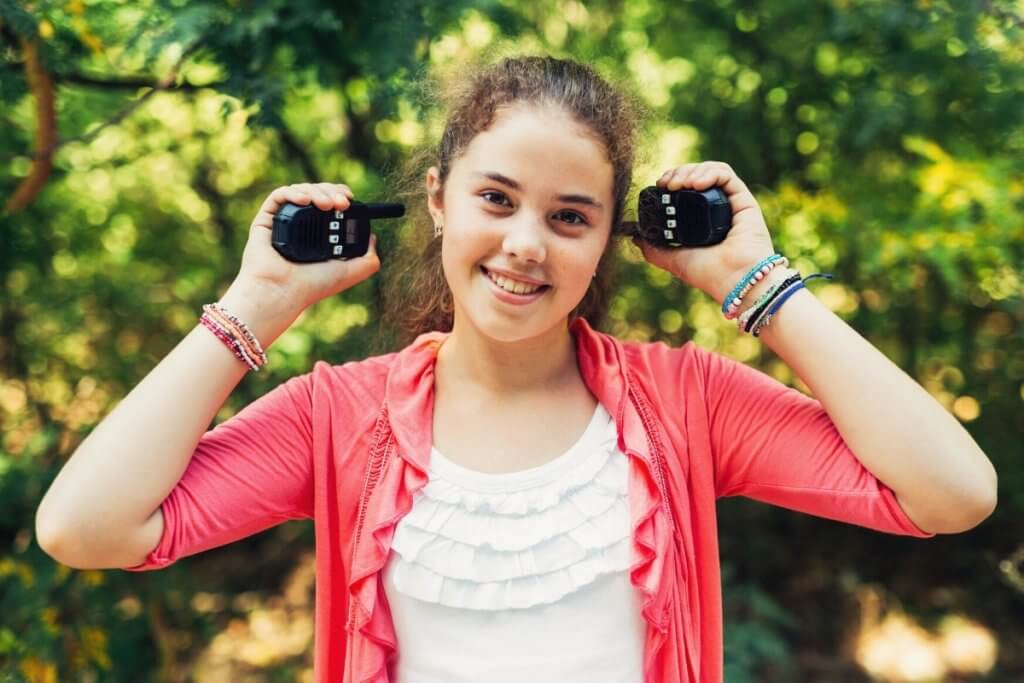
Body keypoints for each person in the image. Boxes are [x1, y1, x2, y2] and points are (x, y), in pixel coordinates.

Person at [35, 56, 997, 683]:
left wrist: (760, 286)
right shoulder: (338, 414)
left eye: (570, 216)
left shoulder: (686, 402)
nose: (526, 243)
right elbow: (85, 527)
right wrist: (257, 303)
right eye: (496, 198)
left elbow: (953, 493)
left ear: (607, 239)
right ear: (438, 199)